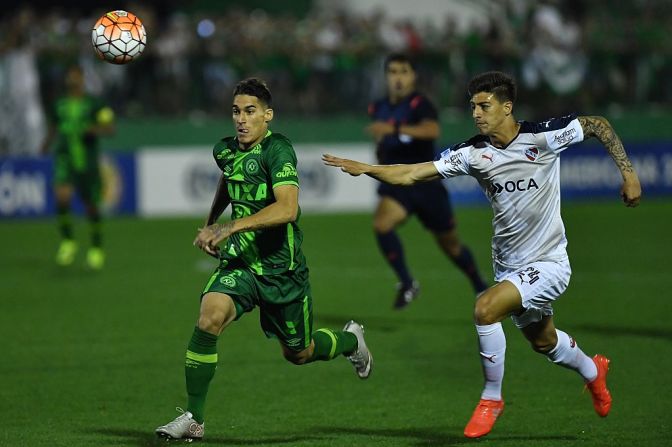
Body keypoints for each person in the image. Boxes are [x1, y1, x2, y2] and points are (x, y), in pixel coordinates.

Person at [323, 71, 641, 438]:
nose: (475, 112)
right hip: (510, 267)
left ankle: (492, 398)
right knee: (544, 341)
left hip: (550, 263)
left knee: (485, 308)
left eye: (483, 105)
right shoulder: (474, 153)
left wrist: (629, 174)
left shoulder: (544, 137)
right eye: (472, 105)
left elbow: (597, 125)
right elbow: (413, 173)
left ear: (507, 108)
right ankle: (593, 371)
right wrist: (367, 170)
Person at [155, 78, 372, 441]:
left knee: (299, 353)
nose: (241, 119)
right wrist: (210, 223)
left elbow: (287, 208)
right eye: (236, 111)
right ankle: (194, 417)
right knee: (209, 318)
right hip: (241, 265)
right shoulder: (224, 150)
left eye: (250, 112)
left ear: (267, 116)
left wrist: (229, 227)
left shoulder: (279, 151)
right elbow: (229, 180)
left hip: (281, 272)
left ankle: (351, 341)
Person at [366, 53, 488, 309]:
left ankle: (480, 286)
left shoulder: (421, 104)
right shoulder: (378, 107)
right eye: (393, 72)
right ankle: (407, 282)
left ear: (413, 76)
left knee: (451, 246)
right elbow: (382, 139)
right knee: (382, 224)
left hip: (426, 182)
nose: (398, 78)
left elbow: (432, 131)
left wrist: (394, 130)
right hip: (398, 183)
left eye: (403, 71)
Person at [41, 65, 115, 270]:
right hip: (64, 158)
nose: (73, 80)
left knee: (91, 206)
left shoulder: (95, 104)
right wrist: (46, 144)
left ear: (82, 79)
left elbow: (110, 128)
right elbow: (54, 127)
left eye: (76, 76)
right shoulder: (60, 104)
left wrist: (95, 129)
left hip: (87, 162)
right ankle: (68, 242)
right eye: (70, 76)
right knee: (62, 197)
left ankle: (96, 246)